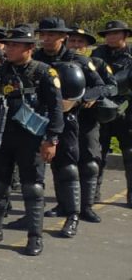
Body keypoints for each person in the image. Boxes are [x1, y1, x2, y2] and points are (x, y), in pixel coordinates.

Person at [0, 25, 64, 256]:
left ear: (29, 48)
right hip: (2, 136)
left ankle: (34, 237)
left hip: (31, 139)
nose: (8, 49)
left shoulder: (44, 72)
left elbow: (56, 109)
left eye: (15, 45)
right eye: (8, 44)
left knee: (32, 188)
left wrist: (51, 139)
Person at [33, 17, 107, 239]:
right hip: (37, 119)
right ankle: (56, 207)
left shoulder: (79, 60)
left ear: (63, 36)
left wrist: (81, 99)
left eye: (52, 35)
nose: (46, 39)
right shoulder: (35, 58)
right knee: (45, 166)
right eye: (43, 35)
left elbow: (101, 86)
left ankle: (74, 215)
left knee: (69, 165)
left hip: (72, 119)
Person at [68, 26, 117, 221]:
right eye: (72, 41)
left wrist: (91, 96)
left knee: (89, 162)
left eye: (81, 42)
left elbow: (110, 86)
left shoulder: (97, 63)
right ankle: (64, 204)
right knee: (64, 163)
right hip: (64, 118)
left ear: (88, 46)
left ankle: (87, 206)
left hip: (88, 118)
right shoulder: (60, 62)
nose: (76, 45)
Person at [93, 20, 132, 206]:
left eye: (116, 34)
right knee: (97, 152)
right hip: (102, 109)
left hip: (127, 110)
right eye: (108, 34)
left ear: (125, 35)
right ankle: (93, 192)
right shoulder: (98, 54)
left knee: (129, 154)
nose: (111, 37)